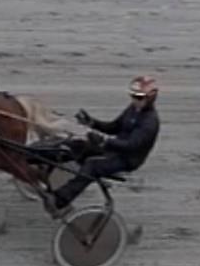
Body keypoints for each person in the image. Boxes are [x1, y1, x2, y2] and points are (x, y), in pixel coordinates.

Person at [43, 75, 161, 218]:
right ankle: (40, 159)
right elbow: (113, 127)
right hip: (114, 149)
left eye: (139, 97)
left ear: (150, 99)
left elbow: (131, 146)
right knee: (79, 145)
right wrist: (93, 123)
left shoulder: (149, 122)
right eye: (133, 95)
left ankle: (60, 200)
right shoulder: (133, 109)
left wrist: (104, 142)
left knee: (92, 165)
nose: (134, 100)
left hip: (127, 159)